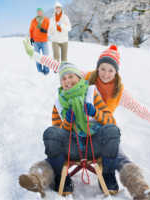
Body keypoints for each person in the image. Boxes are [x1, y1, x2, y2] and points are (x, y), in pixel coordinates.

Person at [22, 36, 150, 199]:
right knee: (55, 149)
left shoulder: (118, 92)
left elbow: (139, 109)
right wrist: (34, 55)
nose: (105, 74)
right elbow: (61, 68)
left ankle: (139, 187)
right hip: (75, 135)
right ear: (97, 68)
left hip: (102, 133)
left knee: (120, 155)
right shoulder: (84, 79)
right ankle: (37, 177)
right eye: (102, 68)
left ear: (116, 72)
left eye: (110, 70)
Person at [19, 59, 121, 197]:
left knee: (112, 130)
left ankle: (108, 177)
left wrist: (95, 113)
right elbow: (57, 135)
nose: (68, 80)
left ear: (79, 78)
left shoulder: (92, 95)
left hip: (94, 145)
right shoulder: (58, 104)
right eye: (64, 78)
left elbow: (111, 121)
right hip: (71, 148)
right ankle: (62, 178)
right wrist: (67, 122)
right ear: (61, 83)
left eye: (71, 76)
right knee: (50, 132)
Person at [48, 1, 71, 71]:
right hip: (55, 40)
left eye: (59, 8)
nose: (58, 9)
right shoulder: (52, 19)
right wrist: (49, 34)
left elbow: (69, 28)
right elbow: (49, 28)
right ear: (55, 9)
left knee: (64, 58)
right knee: (56, 56)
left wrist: (62, 25)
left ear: (61, 9)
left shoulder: (65, 17)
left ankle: (64, 69)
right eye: (56, 8)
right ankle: (56, 69)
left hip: (64, 40)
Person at [29, 7, 50, 75]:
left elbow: (51, 29)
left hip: (44, 41)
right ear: (36, 12)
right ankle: (40, 71)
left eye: (40, 11)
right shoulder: (33, 21)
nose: (39, 12)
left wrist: (46, 31)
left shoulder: (47, 20)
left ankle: (46, 71)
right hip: (36, 42)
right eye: (38, 11)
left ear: (42, 12)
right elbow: (31, 30)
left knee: (45, 57)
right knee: (37, 57)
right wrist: (31, 38)